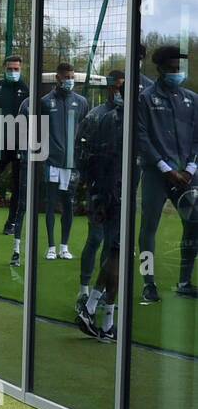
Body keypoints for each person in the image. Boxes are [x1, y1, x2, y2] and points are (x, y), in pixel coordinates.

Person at [135, 44, 198, 303]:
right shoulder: (145, 98)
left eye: (179, 69)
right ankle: (148, 282)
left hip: (187, 174)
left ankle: (184, 281)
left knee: (193, 224)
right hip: (156, 174)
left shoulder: (192, 99)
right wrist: (165, 167)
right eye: (171, 69)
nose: (177, 73)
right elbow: (141, 136)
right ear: (160, 70)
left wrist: (191, 167)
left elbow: (196, 137)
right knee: (148, 228)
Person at [16, 62, 87, 263]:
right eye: (66, 77)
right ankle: (51, 246)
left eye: (72, 77)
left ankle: (64, 247)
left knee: (68, 204)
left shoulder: (81, 102)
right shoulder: (45, 102)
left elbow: (83, 129)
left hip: (71, 163)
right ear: (58, 78)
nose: (69, 81)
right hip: (51, 161)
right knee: (50, 203)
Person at [75, 70, 125, 340]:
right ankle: (93, 307)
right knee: (108, 248)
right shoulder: (101, 117)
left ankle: (100, 313)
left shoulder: (116, 118)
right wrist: (91, 189)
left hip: (108, 191)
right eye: (116, 87)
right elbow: (86, 154)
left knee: (115, 252)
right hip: (109, 193)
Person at [0, 55, 29, 235]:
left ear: (21, 69)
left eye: (16, 69)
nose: (13, 72)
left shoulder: (27, 90)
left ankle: (12, 223)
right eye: (10, 69)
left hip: (19, 145)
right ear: (4, 68)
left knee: (19, 186)